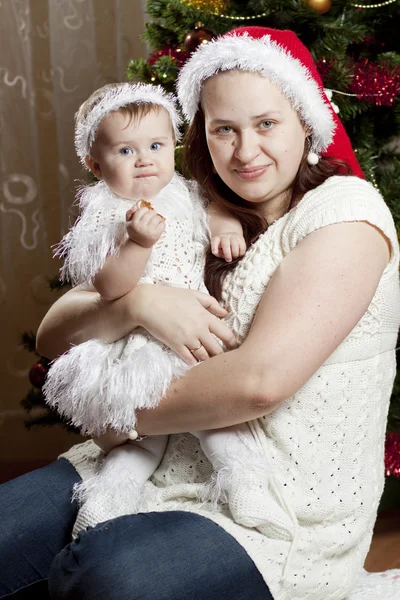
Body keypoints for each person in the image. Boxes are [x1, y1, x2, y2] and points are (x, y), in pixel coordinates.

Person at [2, 25, 400, 600]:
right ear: (203, 136)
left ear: (307, 122)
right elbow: (52, 332)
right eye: (224, 130)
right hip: (141, 466)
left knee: (108, 575)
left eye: (266, 124)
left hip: (272, 510)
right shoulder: (186, 205)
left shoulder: (345, 216)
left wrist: (111, 408)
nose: (245, 151)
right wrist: (139, 303)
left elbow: (260, 382)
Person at [42, 81, 254, 535]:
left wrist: (226, 223)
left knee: (217, 424)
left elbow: (211, 209)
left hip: (189, 331)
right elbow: (111, 287)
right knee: (139, 445)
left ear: (172, 147)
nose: (144, 160)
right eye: (124, 151)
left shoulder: (184, 192)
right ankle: (104, 505)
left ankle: (246, 488)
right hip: (137, 343)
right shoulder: (106, 213)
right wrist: (138, 243)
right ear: (95, 165)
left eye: (156, 145)